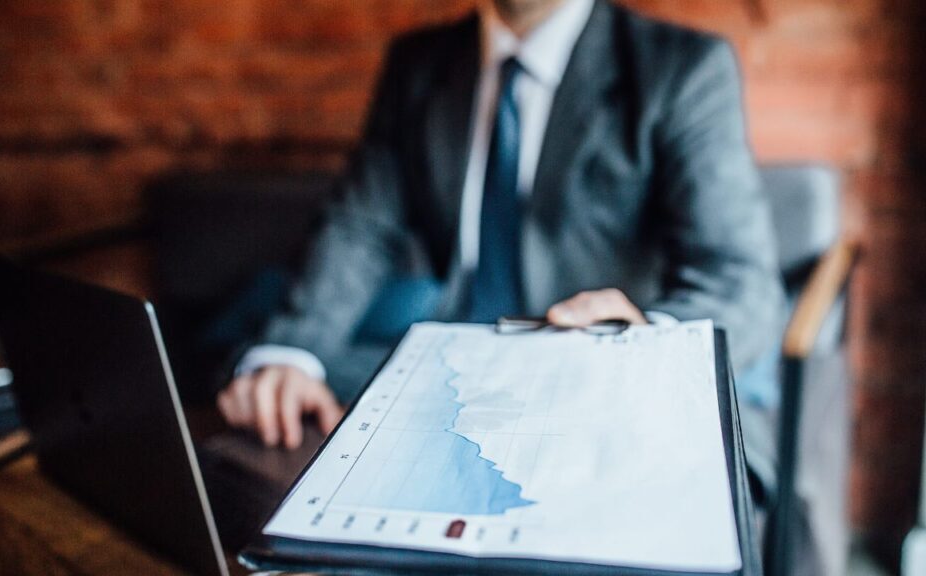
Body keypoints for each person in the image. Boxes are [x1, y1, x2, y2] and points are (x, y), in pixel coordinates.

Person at [219, 0, 784, 463]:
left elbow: (741, 282)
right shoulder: (418, 65)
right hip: (455, 360)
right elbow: (360, 228)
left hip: (591, 379)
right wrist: (292, 352)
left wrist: (639, 347)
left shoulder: (682, 67)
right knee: (256, 397)